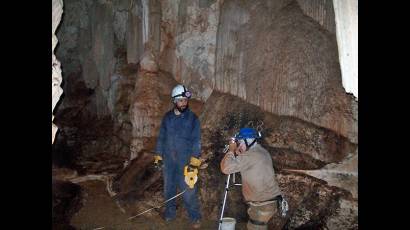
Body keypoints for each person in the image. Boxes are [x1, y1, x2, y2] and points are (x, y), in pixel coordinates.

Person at [154, 84, 202, 229]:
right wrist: (158, 155)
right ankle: (170, 214)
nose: (183, 103)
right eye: (180, 101)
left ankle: (194, 217)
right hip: (169, 160)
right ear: (174, 101)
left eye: (185, 101)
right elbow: (161, 137)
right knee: (168, 188)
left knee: (188, 190)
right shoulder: (167, 118)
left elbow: (196, 140)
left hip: (185, 160)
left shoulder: (193, 119)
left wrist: (195, 160)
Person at [220, 127, 283, 230]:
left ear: (247, 141)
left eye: (240, 142)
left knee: (255, 228)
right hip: (267, 202)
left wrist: (231, 151)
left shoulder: (251, 156)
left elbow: (226, 168)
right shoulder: (261, 151)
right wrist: (238, 153)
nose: (239, 145)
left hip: (262, 204)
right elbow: (247, 161)